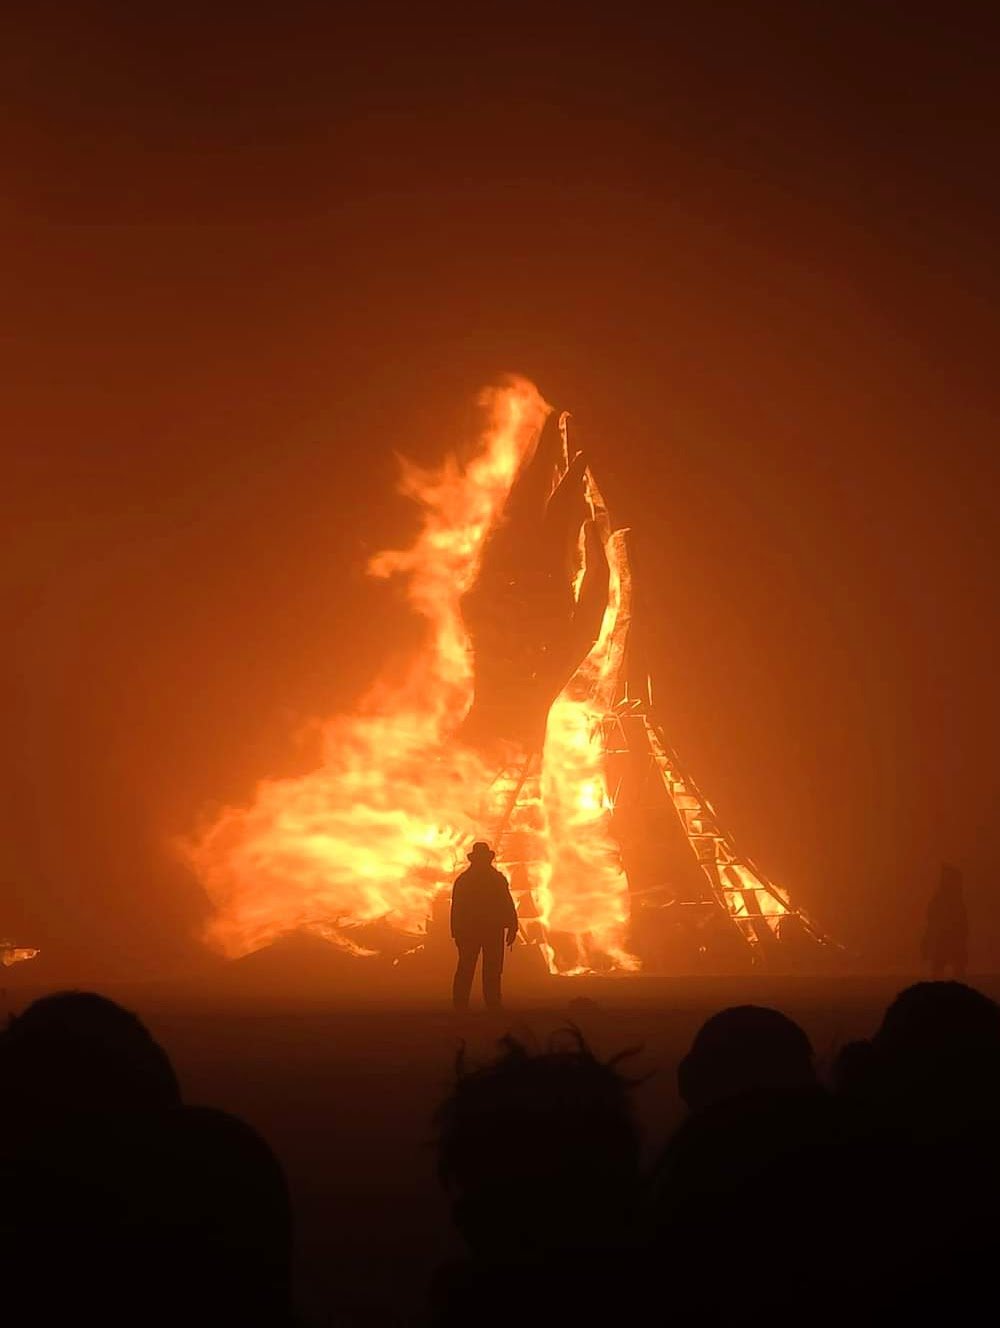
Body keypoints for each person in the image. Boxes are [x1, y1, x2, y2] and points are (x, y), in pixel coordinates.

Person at [450, 842, 518, 1011]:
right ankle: (488, 1003)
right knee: (487, 968)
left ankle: (465, 1004)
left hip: (476, 930)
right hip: (488, 930)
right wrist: (512, 926)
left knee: (475, 967)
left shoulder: (465, 880)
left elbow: (456, 909)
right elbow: (507, 904)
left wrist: (456, 932)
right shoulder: (495, 879)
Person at [922, 863, 968, 978]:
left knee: (946, 965)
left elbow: (931, 917)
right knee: (943, 965)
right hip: (945, 937)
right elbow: (931, 917)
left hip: (948, 937)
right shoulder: (949, 898)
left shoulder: (948, 898)